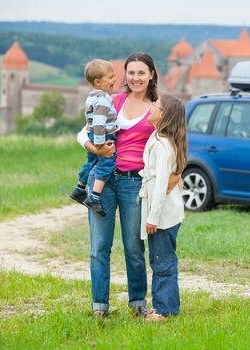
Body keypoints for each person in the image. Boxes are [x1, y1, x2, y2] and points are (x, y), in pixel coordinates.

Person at [77, 53, 179, 318]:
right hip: (104, 179)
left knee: (134, 247)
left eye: (141, 73)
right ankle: (100, 305)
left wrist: (176, 174)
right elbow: (83, 131)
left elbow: (176, 143)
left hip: (136, 182)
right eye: (130, 73)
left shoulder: (159, 107)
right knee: (99, 246)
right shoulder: (112, 100)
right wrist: (92, 148)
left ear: (152, 75)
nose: (135, 78)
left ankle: (137, 302)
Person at [139, 94, 187, 321]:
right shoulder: (158, 138)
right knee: (162, 259)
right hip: (165, 214)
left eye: (156, 106)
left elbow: (160, 186)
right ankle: (168, 306)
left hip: (163, 216)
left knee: (162, 262)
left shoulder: (162, 146)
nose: (151, 107)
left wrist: (152, 217)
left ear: (165, 116)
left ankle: (163, 310)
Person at [70, 59, 118, 217]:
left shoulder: (92, 96)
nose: (114, 80)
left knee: (91, 162)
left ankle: (79, 188)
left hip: (92, 134)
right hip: (102, 136)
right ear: (98, 82)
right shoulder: (104, 99)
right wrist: (99, 144)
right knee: (106, 164)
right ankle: (94, 197)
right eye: (110, 77)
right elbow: (99, 122)